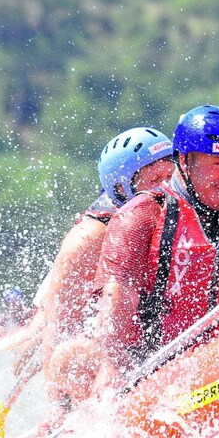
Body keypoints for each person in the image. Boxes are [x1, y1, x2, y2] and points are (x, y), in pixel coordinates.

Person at [80, 105, 219, 397]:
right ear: (184, 160)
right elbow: (118, 303)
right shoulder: (142, 216)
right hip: (156, 372)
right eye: (218, 164)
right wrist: (113, 372)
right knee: (76, 360)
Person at [39, 127, 175, 397]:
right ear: (122, 188)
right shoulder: (89, 238)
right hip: (107, 343)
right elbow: (58, 328)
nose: (166, 187)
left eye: (170, 176)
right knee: (70, 356)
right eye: (155, 179)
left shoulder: (182, 212)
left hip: (160, 336)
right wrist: (57, 404)